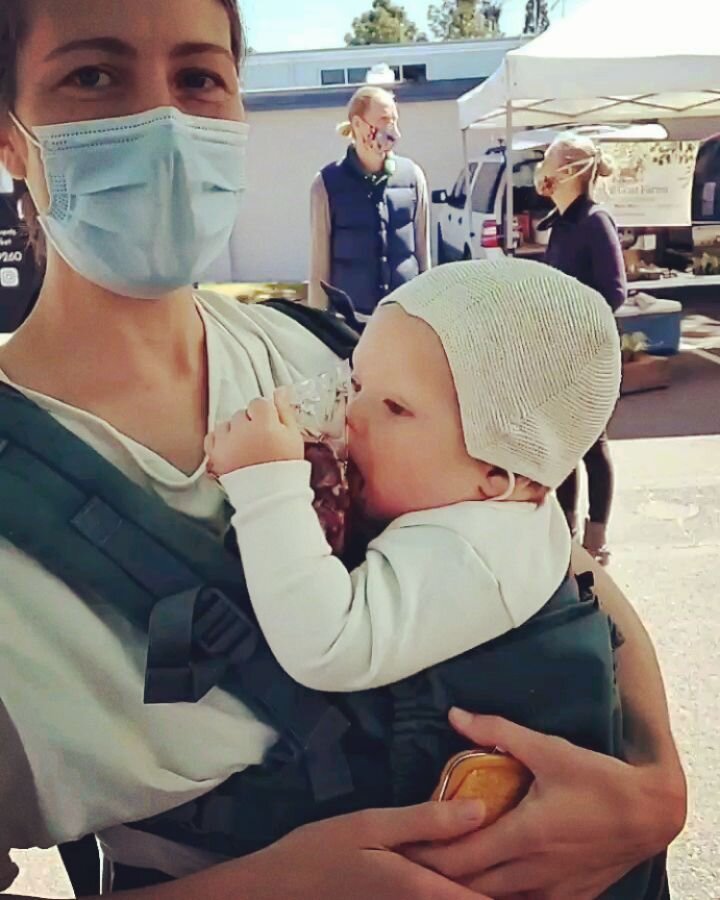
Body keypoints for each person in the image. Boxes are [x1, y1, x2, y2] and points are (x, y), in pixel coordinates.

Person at [0, 2, 685, 899]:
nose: (164, 122)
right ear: (12, 139)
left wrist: (656, 786)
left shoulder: (329, 356)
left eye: (201, 78)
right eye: (92, 75)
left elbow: (546, 552)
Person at [535, 133, 627, 565]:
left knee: (592, 446)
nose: (544, 171)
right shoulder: (562, 222)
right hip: (559, 357)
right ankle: (566, 534)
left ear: (571, 170)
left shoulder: (595, 221)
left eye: (550, 162)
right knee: (565, 446)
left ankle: (596, 540)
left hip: (589, 355)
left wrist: (575, 323)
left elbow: (614, 291)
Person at [308, 86, 431, 318]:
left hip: (404, 320)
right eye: (384, 120)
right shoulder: (326, 184)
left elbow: (423, 255)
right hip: (353, 323)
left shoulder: (413, 177)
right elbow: (319, 271)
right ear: (357, 124)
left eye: (394, 121)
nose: (393, 131)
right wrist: (319, 326)